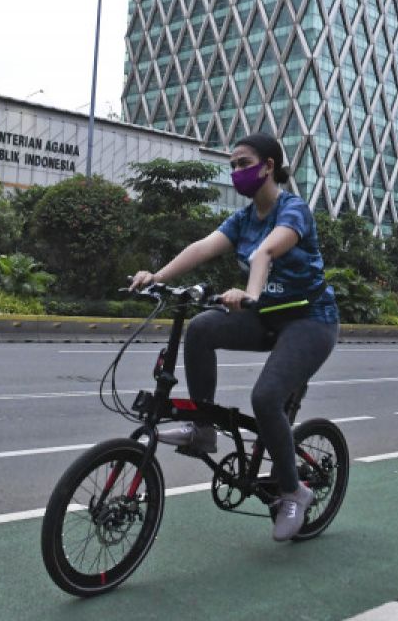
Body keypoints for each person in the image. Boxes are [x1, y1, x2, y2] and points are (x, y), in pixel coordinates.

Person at [129, 132, 339, 542]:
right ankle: (204, 429)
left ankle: (294, 489)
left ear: (269, 166)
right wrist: (156, 277)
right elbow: (202, 247)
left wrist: (251, 294)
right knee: (202, 327)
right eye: (232, 165)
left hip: (310, 321)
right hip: (267, 318)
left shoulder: (292, 210)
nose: (236, 172)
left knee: (265, 399)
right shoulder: (243, 219)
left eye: (243, 163)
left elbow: (265, 253)